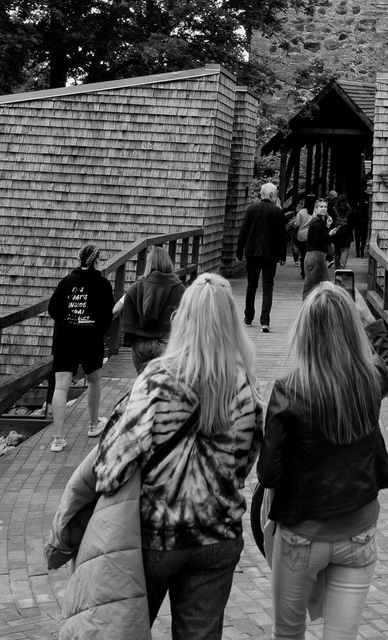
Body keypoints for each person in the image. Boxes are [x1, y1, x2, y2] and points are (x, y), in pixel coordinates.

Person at [91, 272, 262, 640]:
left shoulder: (157, 379)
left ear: (181, 318)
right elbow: (244, 464)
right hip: (217, 535)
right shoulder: (245, 385)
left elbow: (113, 466)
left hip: (155, 535)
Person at [257, 282, 388, 640]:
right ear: (350, 330)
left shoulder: (289, 390)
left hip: (302, 535)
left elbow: (268, 473)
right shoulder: (369, 379)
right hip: (359, 532)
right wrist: (370, 322)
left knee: (288, 633)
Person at [104, 246, 185, 433]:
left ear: (149, 264)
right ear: (167, 262)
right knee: (164, 387)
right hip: (165, 344)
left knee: (142, 386)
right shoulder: (178, 286)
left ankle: (139, 424)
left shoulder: (138, 285)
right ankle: (161, 426)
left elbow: (116, 310)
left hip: (139, 345)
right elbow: (187, 312)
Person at [49, 244, 116, 452]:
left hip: (65, 336)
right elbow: (108, 314)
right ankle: (94, 424)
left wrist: (67, 321)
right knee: (94, 381)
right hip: (90, 336)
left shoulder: (67, 281)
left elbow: (53, 309)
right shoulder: (103, 284)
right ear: (96, 261)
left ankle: (58, 439)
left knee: (61, 386)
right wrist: (99, 331)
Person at [239, 183, 291, 332]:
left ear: (261, 194)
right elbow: (282, 236)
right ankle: (265, 321)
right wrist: (282, 256)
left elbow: (243, 231)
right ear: (273, 195)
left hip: (252, 253)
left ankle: (249, 317)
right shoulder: (277, 212)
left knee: (251, 285)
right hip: (270, 254)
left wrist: (239, 252)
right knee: (268, 287)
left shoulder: (251, 209)